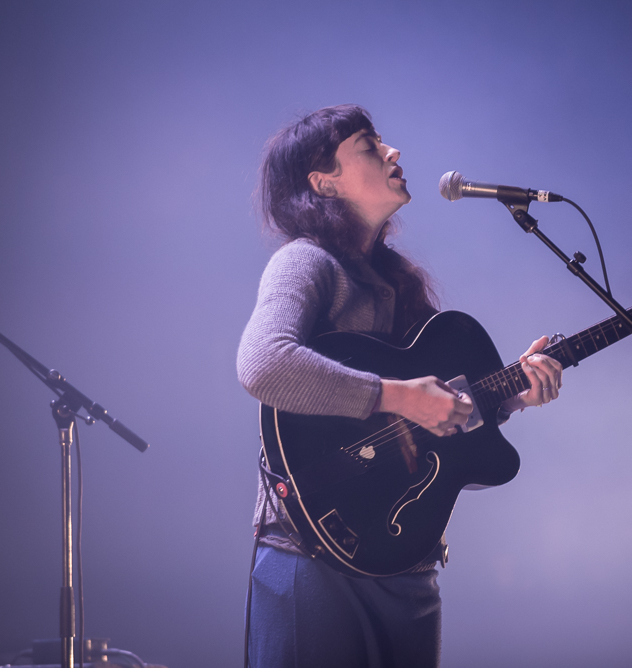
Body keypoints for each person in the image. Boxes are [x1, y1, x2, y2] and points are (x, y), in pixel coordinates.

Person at [236, 104, 563, 668]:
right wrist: (396, 394)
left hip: (406, 565)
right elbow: (263, 363)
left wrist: (510, 396)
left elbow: (429, 429)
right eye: (369, 145)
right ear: (324, 182)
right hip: (313, 559)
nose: (394, 153)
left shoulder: (395, 282)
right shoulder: (304, 262)